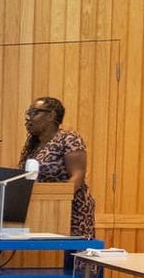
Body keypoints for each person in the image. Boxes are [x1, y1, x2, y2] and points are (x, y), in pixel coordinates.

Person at [21, 95, 96, 238]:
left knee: (74, 257)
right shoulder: (33, 145)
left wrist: (59, 202)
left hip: (70, 211)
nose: (28, 117)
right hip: (41, 210)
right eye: (28, 113)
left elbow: (78, 176)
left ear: (51, 115)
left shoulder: (68, 139)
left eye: (34, 112)